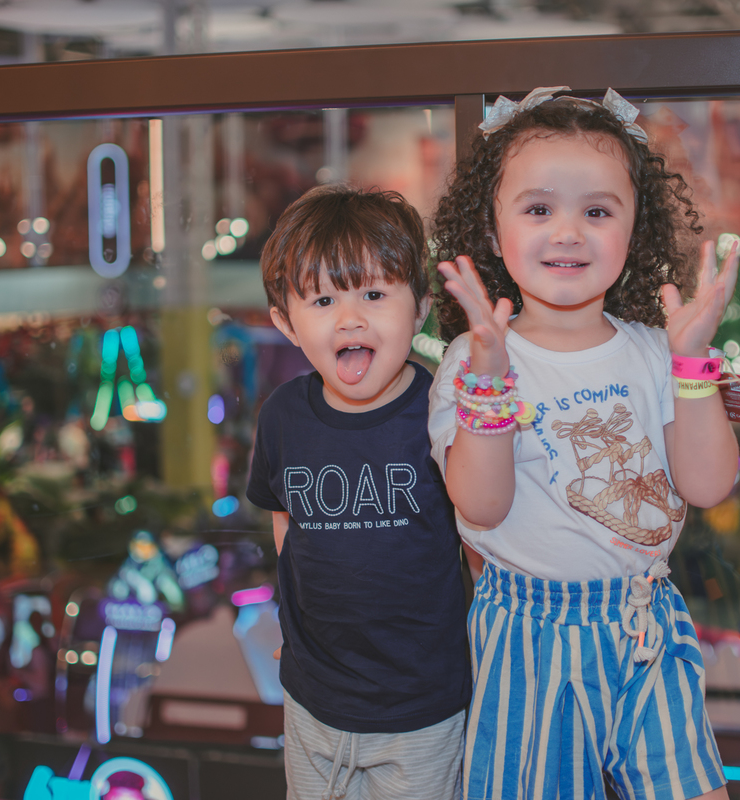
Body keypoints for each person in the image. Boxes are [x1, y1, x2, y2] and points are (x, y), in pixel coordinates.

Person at [429, 87, 739, 800]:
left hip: (647, 621)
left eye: (597, 211)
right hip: (530, 636)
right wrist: (490, 377)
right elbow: (481, 503)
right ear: (492, 223)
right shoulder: (474, 363)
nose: (568, 232)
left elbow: (707, 483)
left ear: (635, 229)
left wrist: (692, 362)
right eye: (539, 209)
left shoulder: (654, 351)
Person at [247, 185, 471, 800]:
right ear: (286, 323)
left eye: (374, 294)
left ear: (421, 307)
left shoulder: (439, 410)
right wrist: (293, 630)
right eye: (323, 299)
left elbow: (479, 533)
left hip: (422, 708)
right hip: (312, 699)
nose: (351, 318)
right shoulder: (282, 416)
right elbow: (286, 523)